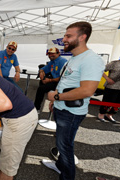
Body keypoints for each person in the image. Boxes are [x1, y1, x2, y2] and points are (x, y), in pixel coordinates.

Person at [41, 21, 105, 180]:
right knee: (62, 143)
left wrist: (56, 97)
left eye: (68, 36)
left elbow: (87, 90)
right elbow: (67, 82)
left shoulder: (91, 59)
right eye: (64, 35)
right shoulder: (75, 57)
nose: (64, 39)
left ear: (82, 37)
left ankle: (66, 176)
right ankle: (59, 166)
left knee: (65, 147)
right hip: (62, 108)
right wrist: (55, 101)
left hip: (71, 113)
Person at [34, 47, 67, 114]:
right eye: (49, 54)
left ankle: (36, 108)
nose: (50, 55)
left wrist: (49, 80)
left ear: (58, 54)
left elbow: (63, 78)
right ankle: (37, 108)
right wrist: (41, 72)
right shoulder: (52, 62)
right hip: (55, 81)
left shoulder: (62, 61)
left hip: (61, 83)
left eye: (52, 54)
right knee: (41, 84)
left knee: (41, 89)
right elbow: (43, 69)